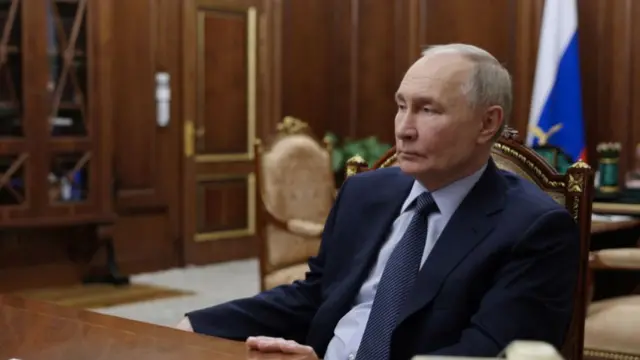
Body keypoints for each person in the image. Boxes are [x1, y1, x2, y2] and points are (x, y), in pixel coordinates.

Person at [176, 43, 580, 360]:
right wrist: (196, 323)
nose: (404, 129)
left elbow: (489, 353)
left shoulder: (535, 229)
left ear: (487, 123)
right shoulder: (365, 193)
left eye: (427, 110)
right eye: (401, 106)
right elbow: (315, 296)